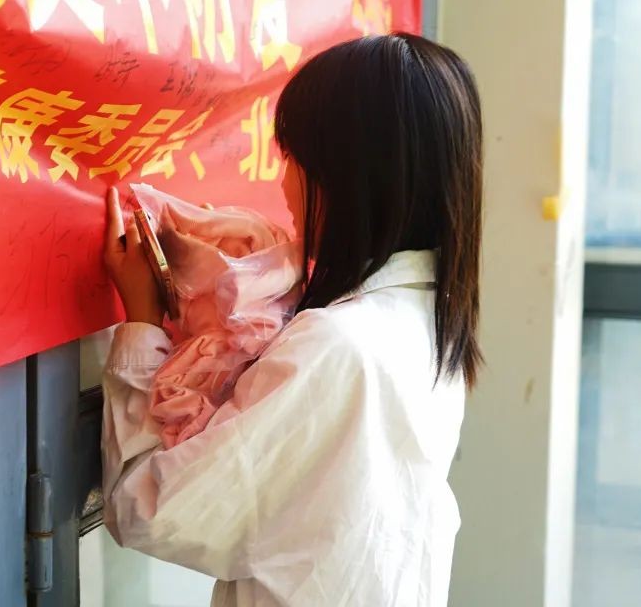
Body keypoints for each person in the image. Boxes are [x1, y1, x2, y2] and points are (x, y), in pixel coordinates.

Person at [100, 32, 482, 607]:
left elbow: (148, 509)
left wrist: (144, 324)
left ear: (351, 177)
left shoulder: (336, 345)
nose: (283, 185)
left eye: (297, 162)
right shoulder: (425, 319)